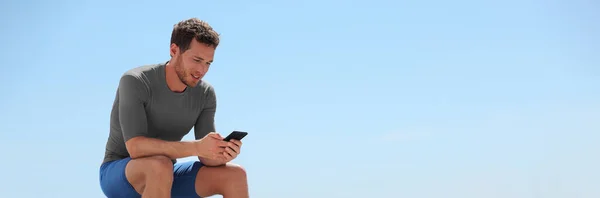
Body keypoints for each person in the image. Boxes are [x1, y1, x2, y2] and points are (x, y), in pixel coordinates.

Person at [99, 18, 249, 198]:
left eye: (208, 63)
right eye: (197, 60)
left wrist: (221, 154)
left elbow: (204, 155)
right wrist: (197, 147)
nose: (201, 70)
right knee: (159, 165)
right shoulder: (136, 81)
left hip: (166, 173)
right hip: (120, 173)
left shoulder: (205, 93)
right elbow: (136, 148)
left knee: (235, 174)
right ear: (174, 50)